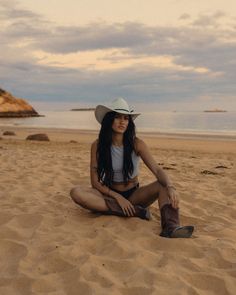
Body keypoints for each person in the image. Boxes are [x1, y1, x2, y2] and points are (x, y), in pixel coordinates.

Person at [70, 97, 194, 238]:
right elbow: (95, 183)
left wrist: (170, 186)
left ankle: (171, 227)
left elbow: (157, 170)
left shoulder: (137, 144)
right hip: (109, 194)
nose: (122, 121)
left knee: (163, 185)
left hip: (134, 195)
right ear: (109, 120)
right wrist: (117, 197)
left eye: (126, 118)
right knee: (76, 192)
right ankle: (136, 212)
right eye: (118, 117)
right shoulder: (97, 145)